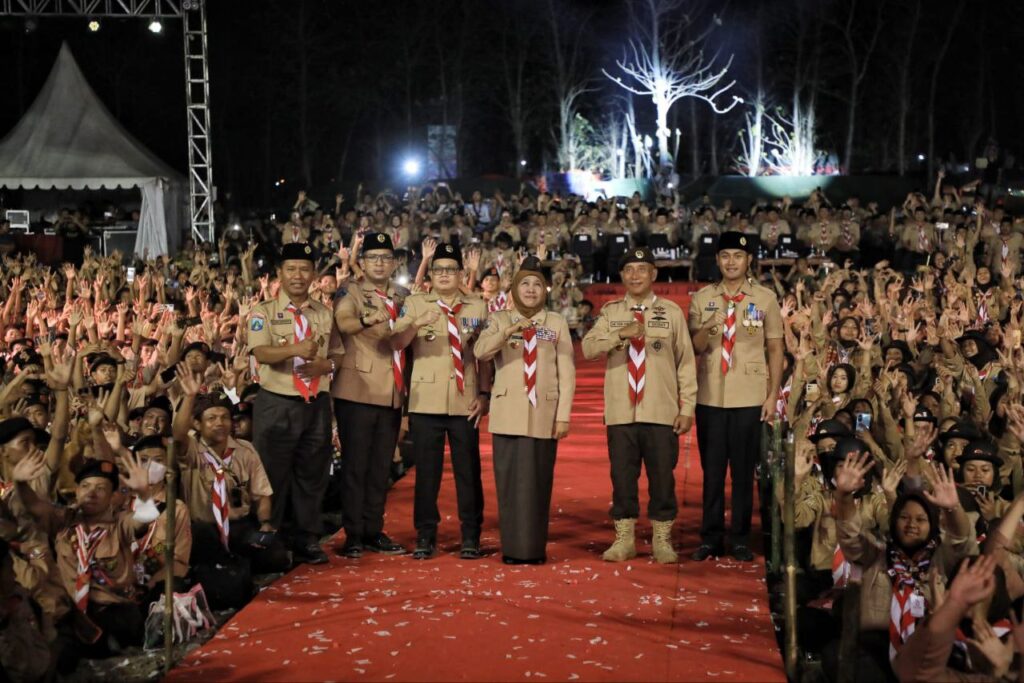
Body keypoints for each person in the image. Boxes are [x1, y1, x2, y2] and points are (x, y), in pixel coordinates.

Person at [581, 246, 698, 564]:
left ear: (653, 275)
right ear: (621, 276)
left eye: (641, 269)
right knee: (622, 477)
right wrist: (620, 335)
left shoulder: (671, 312)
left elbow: (685, 363)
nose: (635, 275)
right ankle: (624, 538)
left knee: (663, 477)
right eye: (629, 270)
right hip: (621, 410)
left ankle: (662, 539)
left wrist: (686, 408)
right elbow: (589, 347)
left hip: (661, 410)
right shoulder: (610, 312)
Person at [391, 243, 491, 560]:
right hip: (425, 401)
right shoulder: (414, 303)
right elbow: (396, 342)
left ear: (461, 274)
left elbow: (484, 358)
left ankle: (471, 535)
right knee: (427, 474)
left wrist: (485, 394)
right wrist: (415, 324)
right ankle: (425, 534)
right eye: (439, 270)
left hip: (466, 401)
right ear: (431, 274)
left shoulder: (477, 306)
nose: (445, 275)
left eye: (451, 269)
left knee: (468, 472)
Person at [688, 231, 783, 562]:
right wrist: (711, 327)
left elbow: (775, 347)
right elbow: (695, 348)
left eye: (738, 256)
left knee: (744, 472)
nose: (731, 262)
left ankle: (741, 537)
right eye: (725, 256)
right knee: (712, 471)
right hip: (711, 395)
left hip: (750, 395)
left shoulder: (765, 298)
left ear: (749, 260)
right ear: (717, 260)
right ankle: (711, 537)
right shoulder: (702, 298)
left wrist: (773, 395)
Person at [247, 242, 344, 565]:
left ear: (314, 274)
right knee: (272, 475)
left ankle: (307, 538)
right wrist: (294, 349)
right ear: (280, 274)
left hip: (315, 403)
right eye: (291, 269)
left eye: (304, 269)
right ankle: (270, 537)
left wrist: (325, 366)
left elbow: (337, 354)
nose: (298, 275)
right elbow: (261, 354)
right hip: (277, 402)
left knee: (313, 473)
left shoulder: (324, 313)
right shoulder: (263, 312)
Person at [475, 257, 575, 564]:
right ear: (515, 289)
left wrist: (563, 415)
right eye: (524, 284)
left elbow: (567, 371)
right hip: (508, 413)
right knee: (508, 485)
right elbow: (481, 352)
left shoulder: (555, 322)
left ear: (544, 289)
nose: (530, 290)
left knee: (538, 484)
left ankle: (533, 549)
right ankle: (512, 549)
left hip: (544, 413)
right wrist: (509, 330)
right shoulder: (499, 319)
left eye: (536, 284)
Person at [331, 232, 409, 558]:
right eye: (373, 258)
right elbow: (345, 324)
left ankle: (374, 530)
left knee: (380, 468)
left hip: (392, 390)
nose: (379, 263)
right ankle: (353, 535)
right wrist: (369, 317)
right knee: (355, 467)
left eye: (385, 258)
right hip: (357, 392)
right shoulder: (350, 291)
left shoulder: (404, 294)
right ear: (362, 263)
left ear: (394, 264)